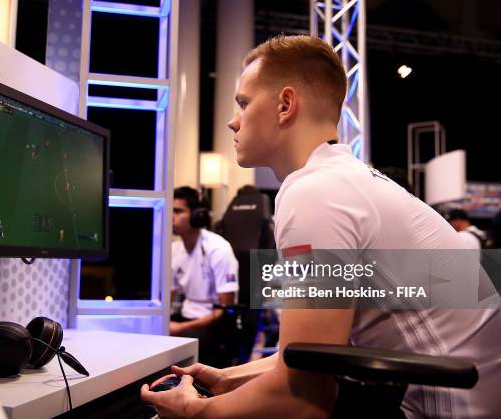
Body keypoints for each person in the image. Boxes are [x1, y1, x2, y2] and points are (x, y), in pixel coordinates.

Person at [142, 35, 501, 418]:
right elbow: (312, 354)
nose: (233, 121)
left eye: (244, 103)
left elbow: (302, 399)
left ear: (285, 105)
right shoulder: (342, 179)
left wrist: (194, 412)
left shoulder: (316, 192)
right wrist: (229, 378)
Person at [170, 186, 239, 366]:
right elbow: (168, 296)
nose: (171, 217)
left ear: (197, 215)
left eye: (177, 211)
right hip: (185, 319)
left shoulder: (218, 249)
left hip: (212, 326)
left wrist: (180, 328)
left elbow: (224, 309)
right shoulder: (174, 250)